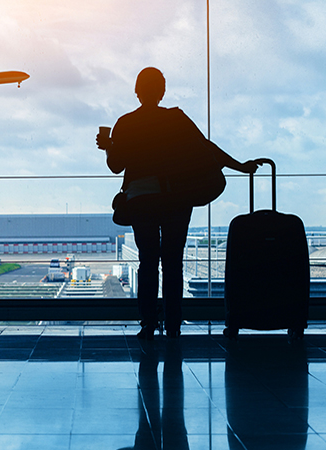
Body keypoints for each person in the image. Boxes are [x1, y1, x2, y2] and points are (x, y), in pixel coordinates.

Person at [97, 67, 258, 340]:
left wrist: (109, 145)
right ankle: (173, 325)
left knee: (148, 262)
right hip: (176, 198)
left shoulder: (125, 123)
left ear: (137, 91)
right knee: (173, 263)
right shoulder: (176, 119)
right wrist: (239, 167)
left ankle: (148, 324)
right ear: (162, 91)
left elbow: (115, 166)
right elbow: (207, 148)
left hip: (141, 198)